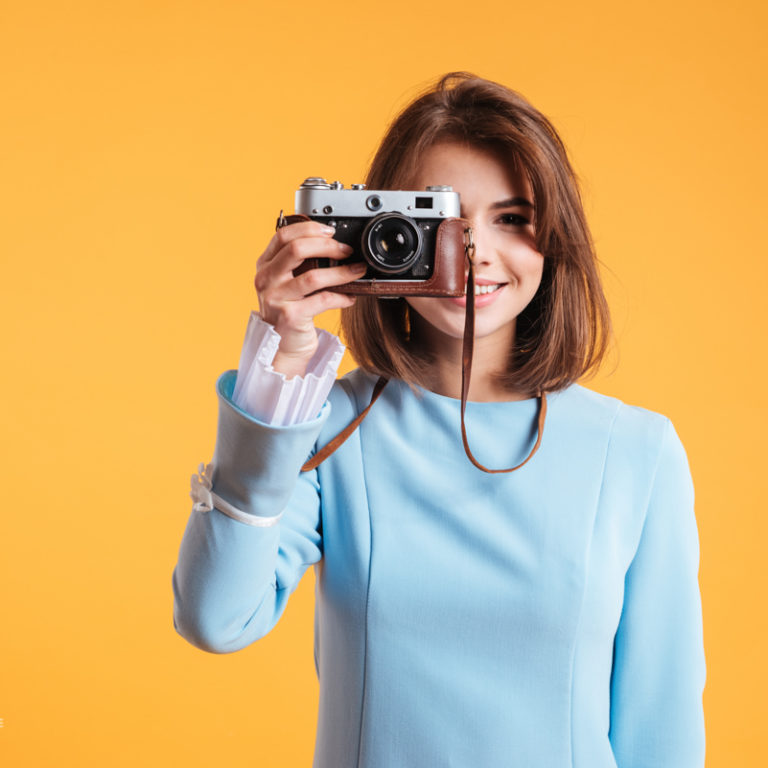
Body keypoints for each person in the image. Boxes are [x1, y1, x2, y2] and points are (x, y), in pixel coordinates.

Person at [172, 72, 706, 768]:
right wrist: (283, 355)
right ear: (376, 229)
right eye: (442, 221)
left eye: (512, 219)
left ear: (557, 241)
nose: (476, 250)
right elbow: (216, 618)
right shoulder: (326, 424)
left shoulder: (636, 451)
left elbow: (660, 731)